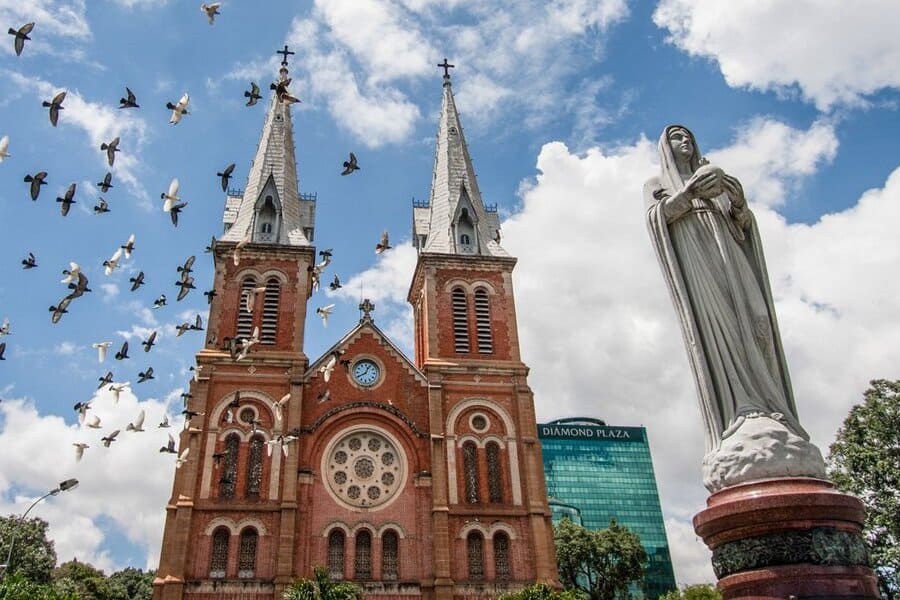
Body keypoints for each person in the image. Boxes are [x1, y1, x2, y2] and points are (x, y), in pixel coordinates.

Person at [644, 125, 809, 454]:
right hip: (699, 263)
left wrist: (737, 202)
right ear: (665, 147)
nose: (685, 140)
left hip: (730, 256)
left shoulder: (713, 178)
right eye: (676, 137)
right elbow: (655, 219)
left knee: (758, 320)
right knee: (722, 329)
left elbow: (742, 225)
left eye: (688, 135)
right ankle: (742, 407)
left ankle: (771, 403)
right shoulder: (658, 185)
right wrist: (688, 195)